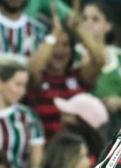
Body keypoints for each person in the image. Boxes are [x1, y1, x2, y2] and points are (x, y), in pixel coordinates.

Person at [26, 2, 105, 141]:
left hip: (77, 150)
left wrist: (78, 28)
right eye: (55, 44)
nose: (60, 50)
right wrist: (55, 32)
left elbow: (98, 60)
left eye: (65, 45)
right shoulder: (38, 78)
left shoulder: (79, 77)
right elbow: (32, 68)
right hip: (46, 150)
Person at [79, 2, 121, 118]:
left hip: (112, 120)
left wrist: (117, 102)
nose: (88, 24)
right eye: (84, 18)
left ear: (108, 26)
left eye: (95, 19)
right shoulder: (73, 52)